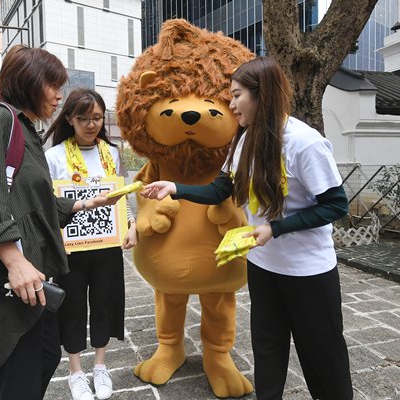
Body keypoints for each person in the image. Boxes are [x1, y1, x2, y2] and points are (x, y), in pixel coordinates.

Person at [141, 56, 353, 400]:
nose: (231, 103)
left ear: (262, 95)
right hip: (263, 266)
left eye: (237, 95)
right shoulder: (243, 141)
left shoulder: (304, 142)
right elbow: (219, 190)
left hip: (307, 272)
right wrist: (174, 187)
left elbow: (335, 205)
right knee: (267, 348)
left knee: (321, 353)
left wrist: (277, 229)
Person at [0, 45, 121, 400]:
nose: (58, 95)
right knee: (20, 375)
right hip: (9, 283)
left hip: (32, 279)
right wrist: (15, 262)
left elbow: (34, 200)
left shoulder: (24, 129)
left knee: (48, 354)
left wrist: (84, 203)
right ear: (30, 82)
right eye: (53, 85)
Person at [43, 88, 137, 400]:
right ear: (69, 118)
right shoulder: (54, 157)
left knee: (105, 302)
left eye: (97, 118)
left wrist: (132, 224)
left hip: (107, 245)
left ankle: (99, 365)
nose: (91, 124)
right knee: (71, 307)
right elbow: (47, 206)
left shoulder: (111, 153)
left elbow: (120, 193)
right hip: (69, 249)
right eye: (84, 118)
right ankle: (75, 371)